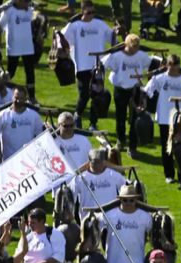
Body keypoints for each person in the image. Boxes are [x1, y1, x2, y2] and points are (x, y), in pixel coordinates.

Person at [62, 1, 114, 132]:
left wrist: (117, 32)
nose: (91, 15)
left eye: (93, 12)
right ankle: (77, 115)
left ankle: (93, 123)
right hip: (82, 65)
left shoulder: (100, 24)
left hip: (97, 65)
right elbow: (62, 38)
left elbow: (112, 37)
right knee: (84, 95)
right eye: (88, 12)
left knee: (97, 95)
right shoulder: (75, 25)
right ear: (82, 12)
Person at [143, 55, 181, 184]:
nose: (173, 70)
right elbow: (148, 90)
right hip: (164, 118)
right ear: (167, 65)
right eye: (171, 67)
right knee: (167, 148)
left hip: (179, 118)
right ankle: (169, 174)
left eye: (176, 67)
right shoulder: (160, 78)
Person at [102, 34, 151, 156]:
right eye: (133, 47)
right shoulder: (117, 56)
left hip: (135, 89)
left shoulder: (141, 55)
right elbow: (104, 64)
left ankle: (132, 147)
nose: (135, 49)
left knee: (135, 118)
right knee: (120, 116)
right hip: (121, 89)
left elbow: (149, 64)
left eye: (137, 47)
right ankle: (120, 141)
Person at [70, 149, 127, 219]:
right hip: (88, 218)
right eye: (94, 162)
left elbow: (125, 188)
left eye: (99, 162)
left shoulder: (113, 175)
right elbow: (71, 197)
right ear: (89, 162)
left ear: (104, 162)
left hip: (111, 218)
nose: (97, 165)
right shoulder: (80, 179)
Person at [0, 0, 38, 100]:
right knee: (11, 71)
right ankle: (1, 90)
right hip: (14, 47)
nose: (26, 3)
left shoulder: (29, 10)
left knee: (30, 73)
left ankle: (32, 97)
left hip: (28, 47)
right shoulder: (9, 11)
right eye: (25, 1)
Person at [0, 88, 44, 161]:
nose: (18, 101)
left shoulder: (34, 115)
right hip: (8, 160)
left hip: (28, 159)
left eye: (21, 98)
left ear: (26, 99)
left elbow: (40, 135)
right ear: (12, 97)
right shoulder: (2, 115)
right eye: (16, 97)